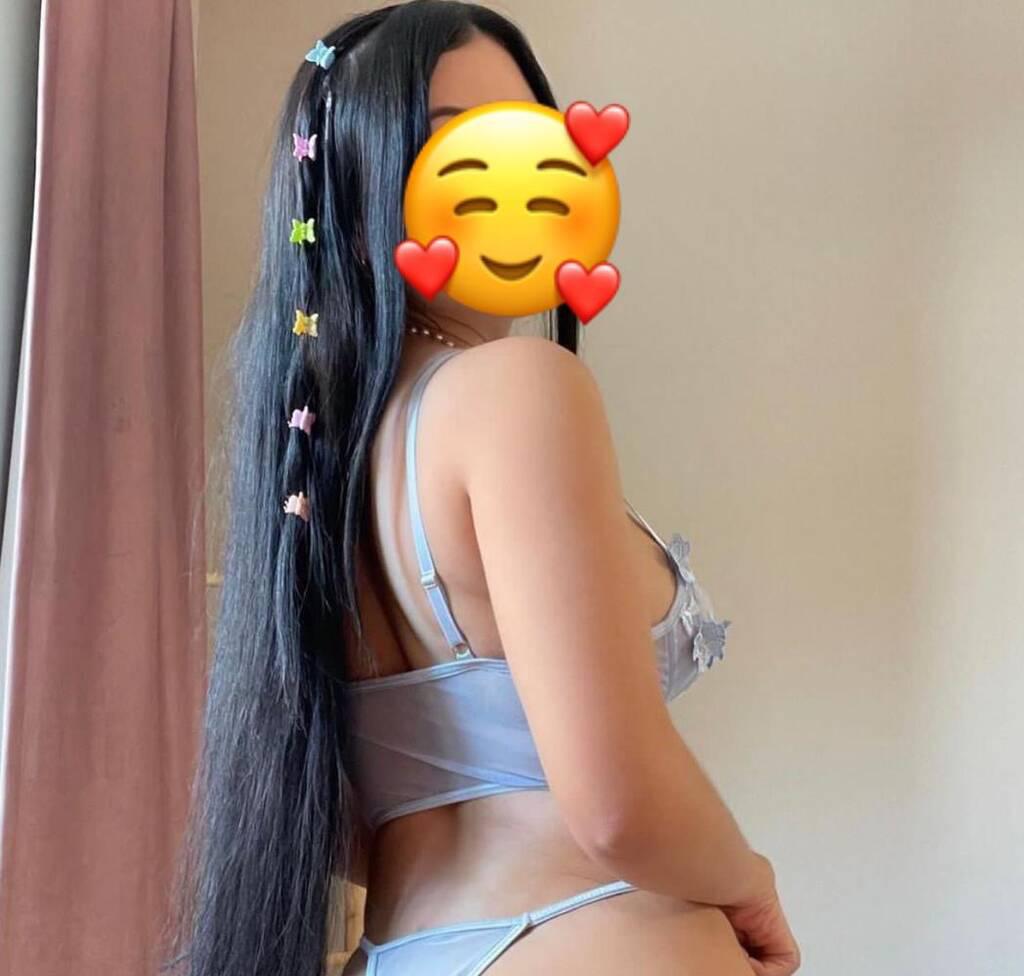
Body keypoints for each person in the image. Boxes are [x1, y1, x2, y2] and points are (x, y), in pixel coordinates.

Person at [161, 4, 801, 976]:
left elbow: (337, 820)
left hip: (401, 948)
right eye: (455, 145)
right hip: (587, 930)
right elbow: (618, 805)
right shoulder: (515, 389)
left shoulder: (314, 459)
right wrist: (748, 881)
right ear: (359, 188)